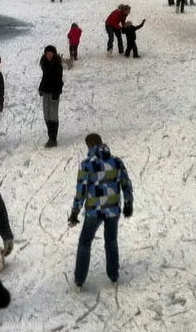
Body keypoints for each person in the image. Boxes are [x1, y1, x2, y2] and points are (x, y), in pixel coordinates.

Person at [68, 133, 134, 289]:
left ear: (90, 146)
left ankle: (79, 279)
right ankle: (113, 274)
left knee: (85, 242)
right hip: (113, 210)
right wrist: (128, 204)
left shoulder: (87, 165)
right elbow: (126, 184)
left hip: (94, 211)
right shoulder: (116, 162)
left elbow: (81, 191)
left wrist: (75, 212)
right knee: (111, 241)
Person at [38, 45, 63, 147]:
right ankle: (50, 136)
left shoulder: (57, 65)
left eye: (50, 53)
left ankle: (53, 139)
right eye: (47, 53)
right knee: (46, 116)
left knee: (53, 116)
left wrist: (57, 93)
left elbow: (59, 80)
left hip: (54, 93)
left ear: (54, 53)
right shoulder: (44, 64)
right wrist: (41, 88)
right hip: (45, 92)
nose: (48, 55)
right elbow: (44, 78)